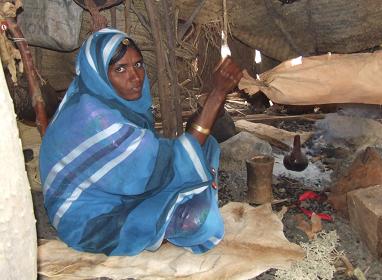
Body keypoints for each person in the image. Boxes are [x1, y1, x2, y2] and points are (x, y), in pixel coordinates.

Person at [39, 28, 243, 256]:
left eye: (138, 64)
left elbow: (151, 160)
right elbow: (161, 163)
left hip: (121, 190)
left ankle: (172, 211)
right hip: (91, 220)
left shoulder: (106, 100)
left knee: (206, 147)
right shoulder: (92, 118)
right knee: (198, 220)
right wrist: (216, 95)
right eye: (120, 69)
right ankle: (159, 225)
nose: (135, 76)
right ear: (98, 75)